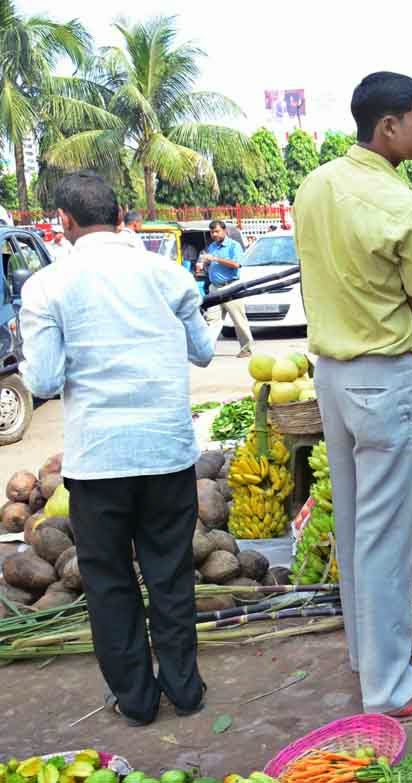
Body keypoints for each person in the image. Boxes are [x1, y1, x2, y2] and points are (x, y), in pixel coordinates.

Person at [295, 71, 412, 720]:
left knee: (355, 524)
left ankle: (370, 649)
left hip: (331, 374)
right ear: (388, 127)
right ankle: (390, 684)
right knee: (384, 533)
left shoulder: (314, 184)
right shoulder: (405, 210)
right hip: (380, 376)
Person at [19, 172, 215, 726]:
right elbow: (203, 351)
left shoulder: (47, 287)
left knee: (109, 583)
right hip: (167, 453)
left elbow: (44, 378)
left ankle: (136, 700)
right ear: (121, 211)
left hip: (99, 461)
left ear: (65, 222)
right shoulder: (167, 273)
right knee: (170, 575)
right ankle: (185, 689)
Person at [201, 219, 254, 358]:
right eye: (212, 232)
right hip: (215, 288)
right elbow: (211, 263)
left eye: (217, 231)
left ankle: (246, 348)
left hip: (231, 287)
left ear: (225, 231)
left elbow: (236, 264)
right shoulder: (212, 246)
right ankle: (207, 350)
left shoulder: (233, 246)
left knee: (238, 319)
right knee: (212, 321)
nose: (214, 234)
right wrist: (205, 264)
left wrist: (215, 259)